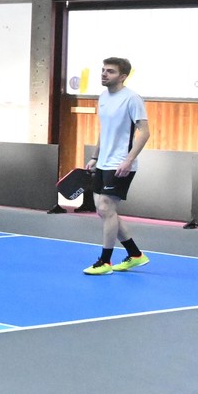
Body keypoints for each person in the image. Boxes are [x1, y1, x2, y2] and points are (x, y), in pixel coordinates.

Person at [84, 56, 150, 275]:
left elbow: (144, 132)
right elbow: (106, 130)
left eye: (110, 71)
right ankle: (135, 255)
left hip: (121, 163)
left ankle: (105, 261)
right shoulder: (103, 97)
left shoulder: (132, 99)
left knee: (105, 208)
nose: (104, 74)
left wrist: (129, 159)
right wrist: (94, 157)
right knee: (104, 211)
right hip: (103, 162)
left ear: (122, 76)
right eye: (103, 70)